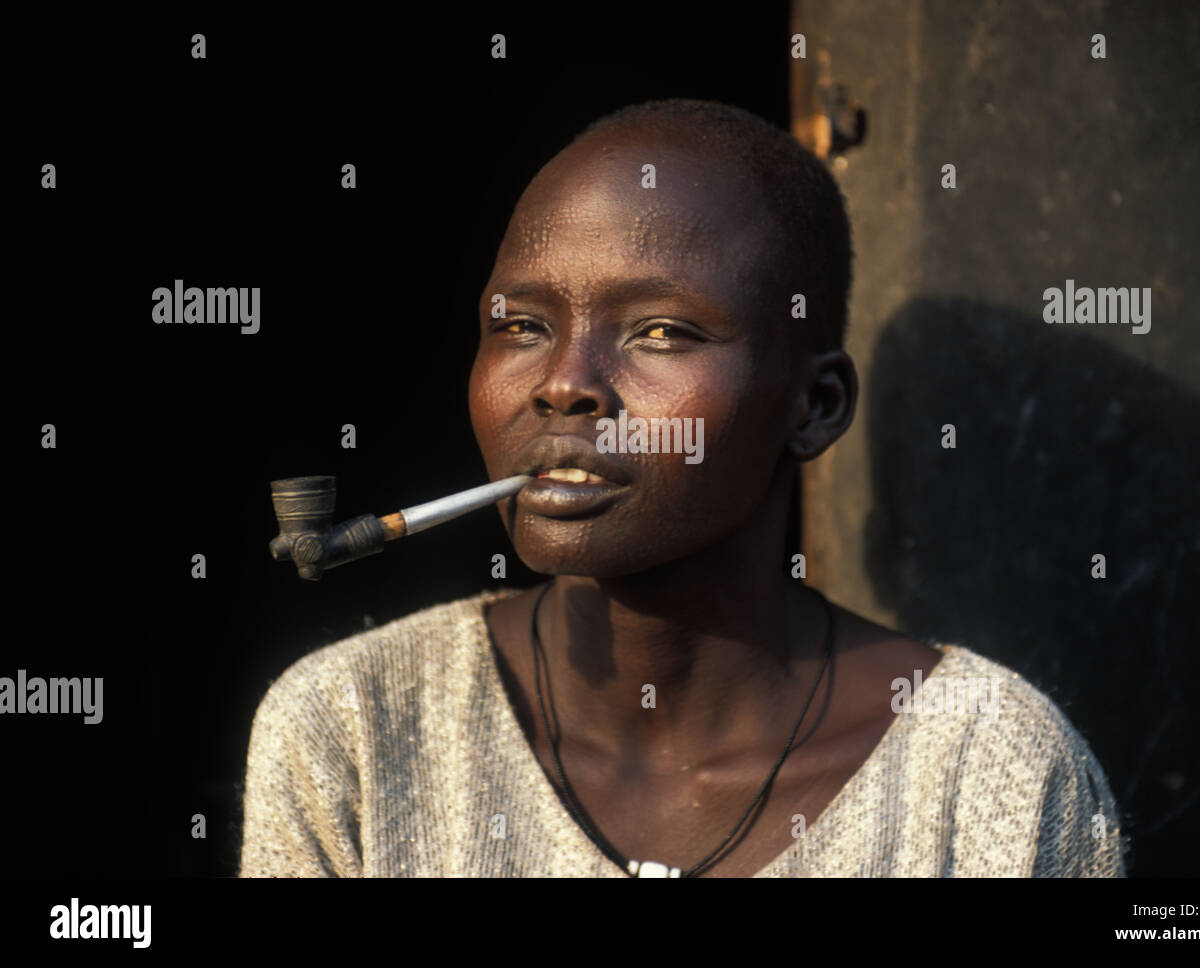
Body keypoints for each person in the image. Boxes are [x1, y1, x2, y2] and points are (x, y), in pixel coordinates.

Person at [239, 98, 1127, 877]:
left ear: (813, 406)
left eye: (661, 331)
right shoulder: (354, 730)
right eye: (522, 326)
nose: (563, 383)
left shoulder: (985, 769)